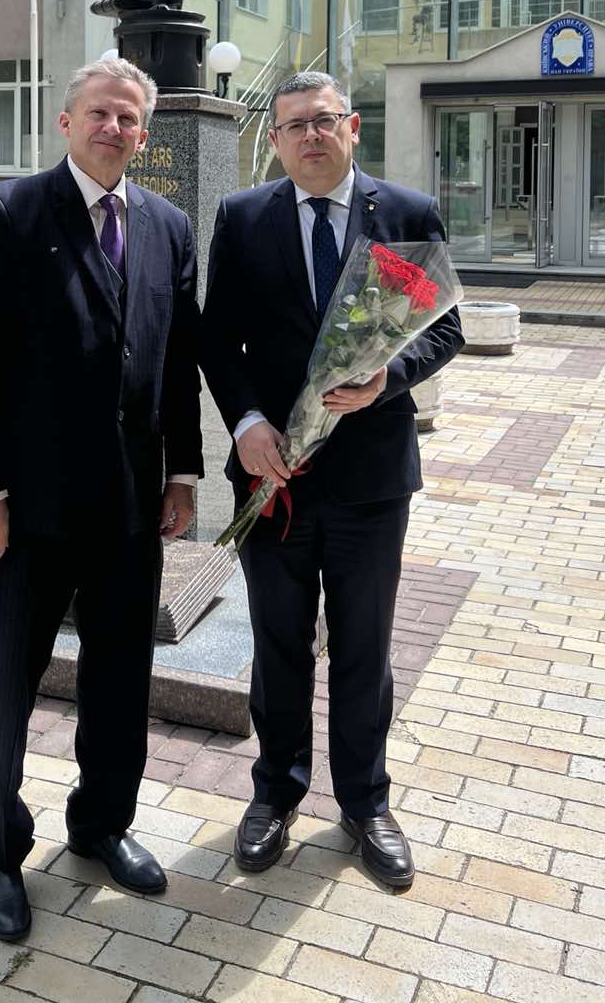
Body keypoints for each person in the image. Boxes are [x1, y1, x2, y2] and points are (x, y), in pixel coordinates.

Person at [0, 58, 202, 942]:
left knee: (121, 678)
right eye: (99, 113)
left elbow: (177, 361)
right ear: (66, 122)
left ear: (144, 133)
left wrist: (182, 473)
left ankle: (101, 824)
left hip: (132, 509)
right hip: (29, 510)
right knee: (7, 686)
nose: (113, 128)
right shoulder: (7, 213)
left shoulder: (168, 226)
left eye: (128, 118)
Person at [201, 70, 463, 890]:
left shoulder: (407, 214)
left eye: (323, 121)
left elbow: (444, 325)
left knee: (363, 645)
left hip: (370, 478)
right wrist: (246, 424)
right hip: (274, 475)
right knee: (278, 644)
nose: (310, 137)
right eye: (294, 126)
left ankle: (365, 803)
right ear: (276, 140)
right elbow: (218, 339)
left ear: (351, 127)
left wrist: (389, 378)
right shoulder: (244, 217)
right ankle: (275, 793)